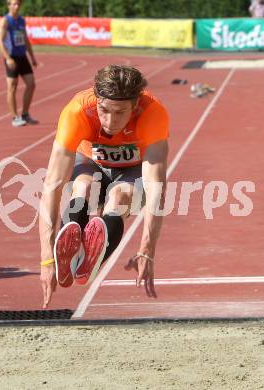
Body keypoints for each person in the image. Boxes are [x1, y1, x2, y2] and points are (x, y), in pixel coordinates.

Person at [39, 65, 169, 309]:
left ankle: (94, 254)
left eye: (120, 112)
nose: (110, 121)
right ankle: (71, 239)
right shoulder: (77, 111)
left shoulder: (153, 113)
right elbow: (52, 186)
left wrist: (146, 249)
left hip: (133, 169)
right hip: (90, 162)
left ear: (135, 105)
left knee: (119, 197)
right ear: (96, 99)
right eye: (104, 110)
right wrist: (47, 259)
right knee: (84, 187)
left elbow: (156, 189)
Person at [0, 0, 38, 127]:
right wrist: (8, 58)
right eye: (14, 4)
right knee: (12, 87)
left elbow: (25, 39)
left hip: (22, 56)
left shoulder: (21, 20)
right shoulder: (5, 21)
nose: (17, 6)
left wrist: (32, 57)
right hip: (12, 57)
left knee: (31, 84)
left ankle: (25, 114)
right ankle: (15, 117)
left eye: (19, 4)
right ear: (8, 5)